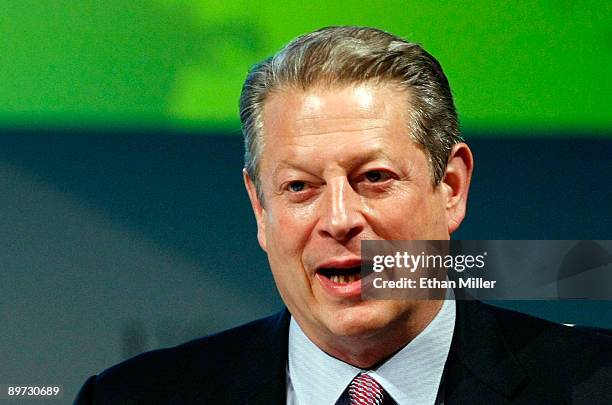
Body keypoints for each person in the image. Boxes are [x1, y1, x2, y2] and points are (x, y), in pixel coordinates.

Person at [75, 26, 611, 405]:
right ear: (260, 208)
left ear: (450, 187)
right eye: (299, 187)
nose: (338, 219)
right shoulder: (133, 397)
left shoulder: (596, 383)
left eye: (373, 178)